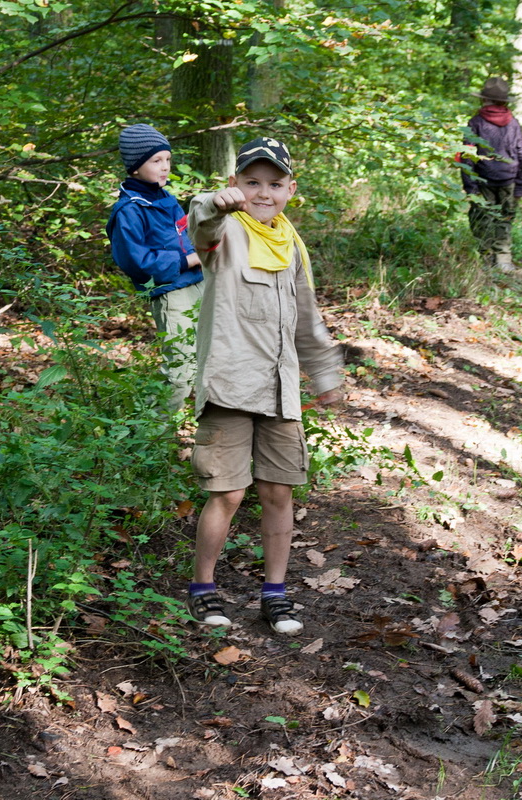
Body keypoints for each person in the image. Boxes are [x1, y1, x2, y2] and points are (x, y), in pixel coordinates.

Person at [184, 137, 343, 635]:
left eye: (274, 184)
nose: (263, 193)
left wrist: (326, 374)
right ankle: (202, 588)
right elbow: (200, 225)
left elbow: (306, 319)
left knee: (278, 490)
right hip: (230, 384)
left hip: (280, 389)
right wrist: (215, 203)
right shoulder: (226, 231)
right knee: (228, 492)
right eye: (252, 182)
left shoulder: (291, 245)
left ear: (290, 190)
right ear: (235, 183)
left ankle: (275, 593)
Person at [106, 124, 204, 411]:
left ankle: (208, 426)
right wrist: (188, 260)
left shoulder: (165, 197)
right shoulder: (129, 209)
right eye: (156, 160)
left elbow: (184, 235)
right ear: (135, 167)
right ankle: (149, 430)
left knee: (206, 359)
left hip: (199, 284)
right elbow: (135, 260)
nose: (165, 167)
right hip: (172, 292)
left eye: (168, 159)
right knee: (179, 373)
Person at [459, 76, 522, 271]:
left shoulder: (475, 122)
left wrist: (470, 186)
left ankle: (485, 258)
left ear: (484, 99)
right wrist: (520, 185)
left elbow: (466, 156)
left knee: (481, 219)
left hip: (482, 180)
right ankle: (503, 260)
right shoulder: (513, 123)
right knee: (504, 219)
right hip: (509, 179)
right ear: (504, 101)